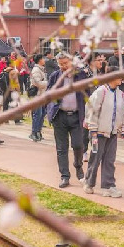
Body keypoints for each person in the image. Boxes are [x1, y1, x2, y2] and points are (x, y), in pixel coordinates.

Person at [47, 53, 90, 188]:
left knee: (78, 145)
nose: (64, 66)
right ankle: (65, 176)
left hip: (77, 116)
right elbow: (48, 94)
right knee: (61, 148)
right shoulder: (55, 76)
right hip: (60, 116)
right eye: (61, 64)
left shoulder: (81, 75)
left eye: (66, 63)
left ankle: (78, 166)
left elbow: (88, 94)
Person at [83, 66, 124, 198]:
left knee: (109, 159)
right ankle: (89, 182)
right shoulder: (100, 92)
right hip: (98, 132)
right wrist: (93, 130)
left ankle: (108, 186)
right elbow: (91, 110)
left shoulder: (121, 94)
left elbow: (121, 112)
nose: (122, 78)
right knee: (95, 158)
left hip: (113, 132)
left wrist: (122, 125)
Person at [29, 53, 49, 142]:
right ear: (39, 60)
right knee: (38, 114)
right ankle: (34, 132)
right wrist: (47, 83)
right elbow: (37, 83)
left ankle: (38, 132)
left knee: (42, 114)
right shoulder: (36, 70)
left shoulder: (41, 69)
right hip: (37, 96)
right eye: (43, 58)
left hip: (42, 95)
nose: (44, 60)